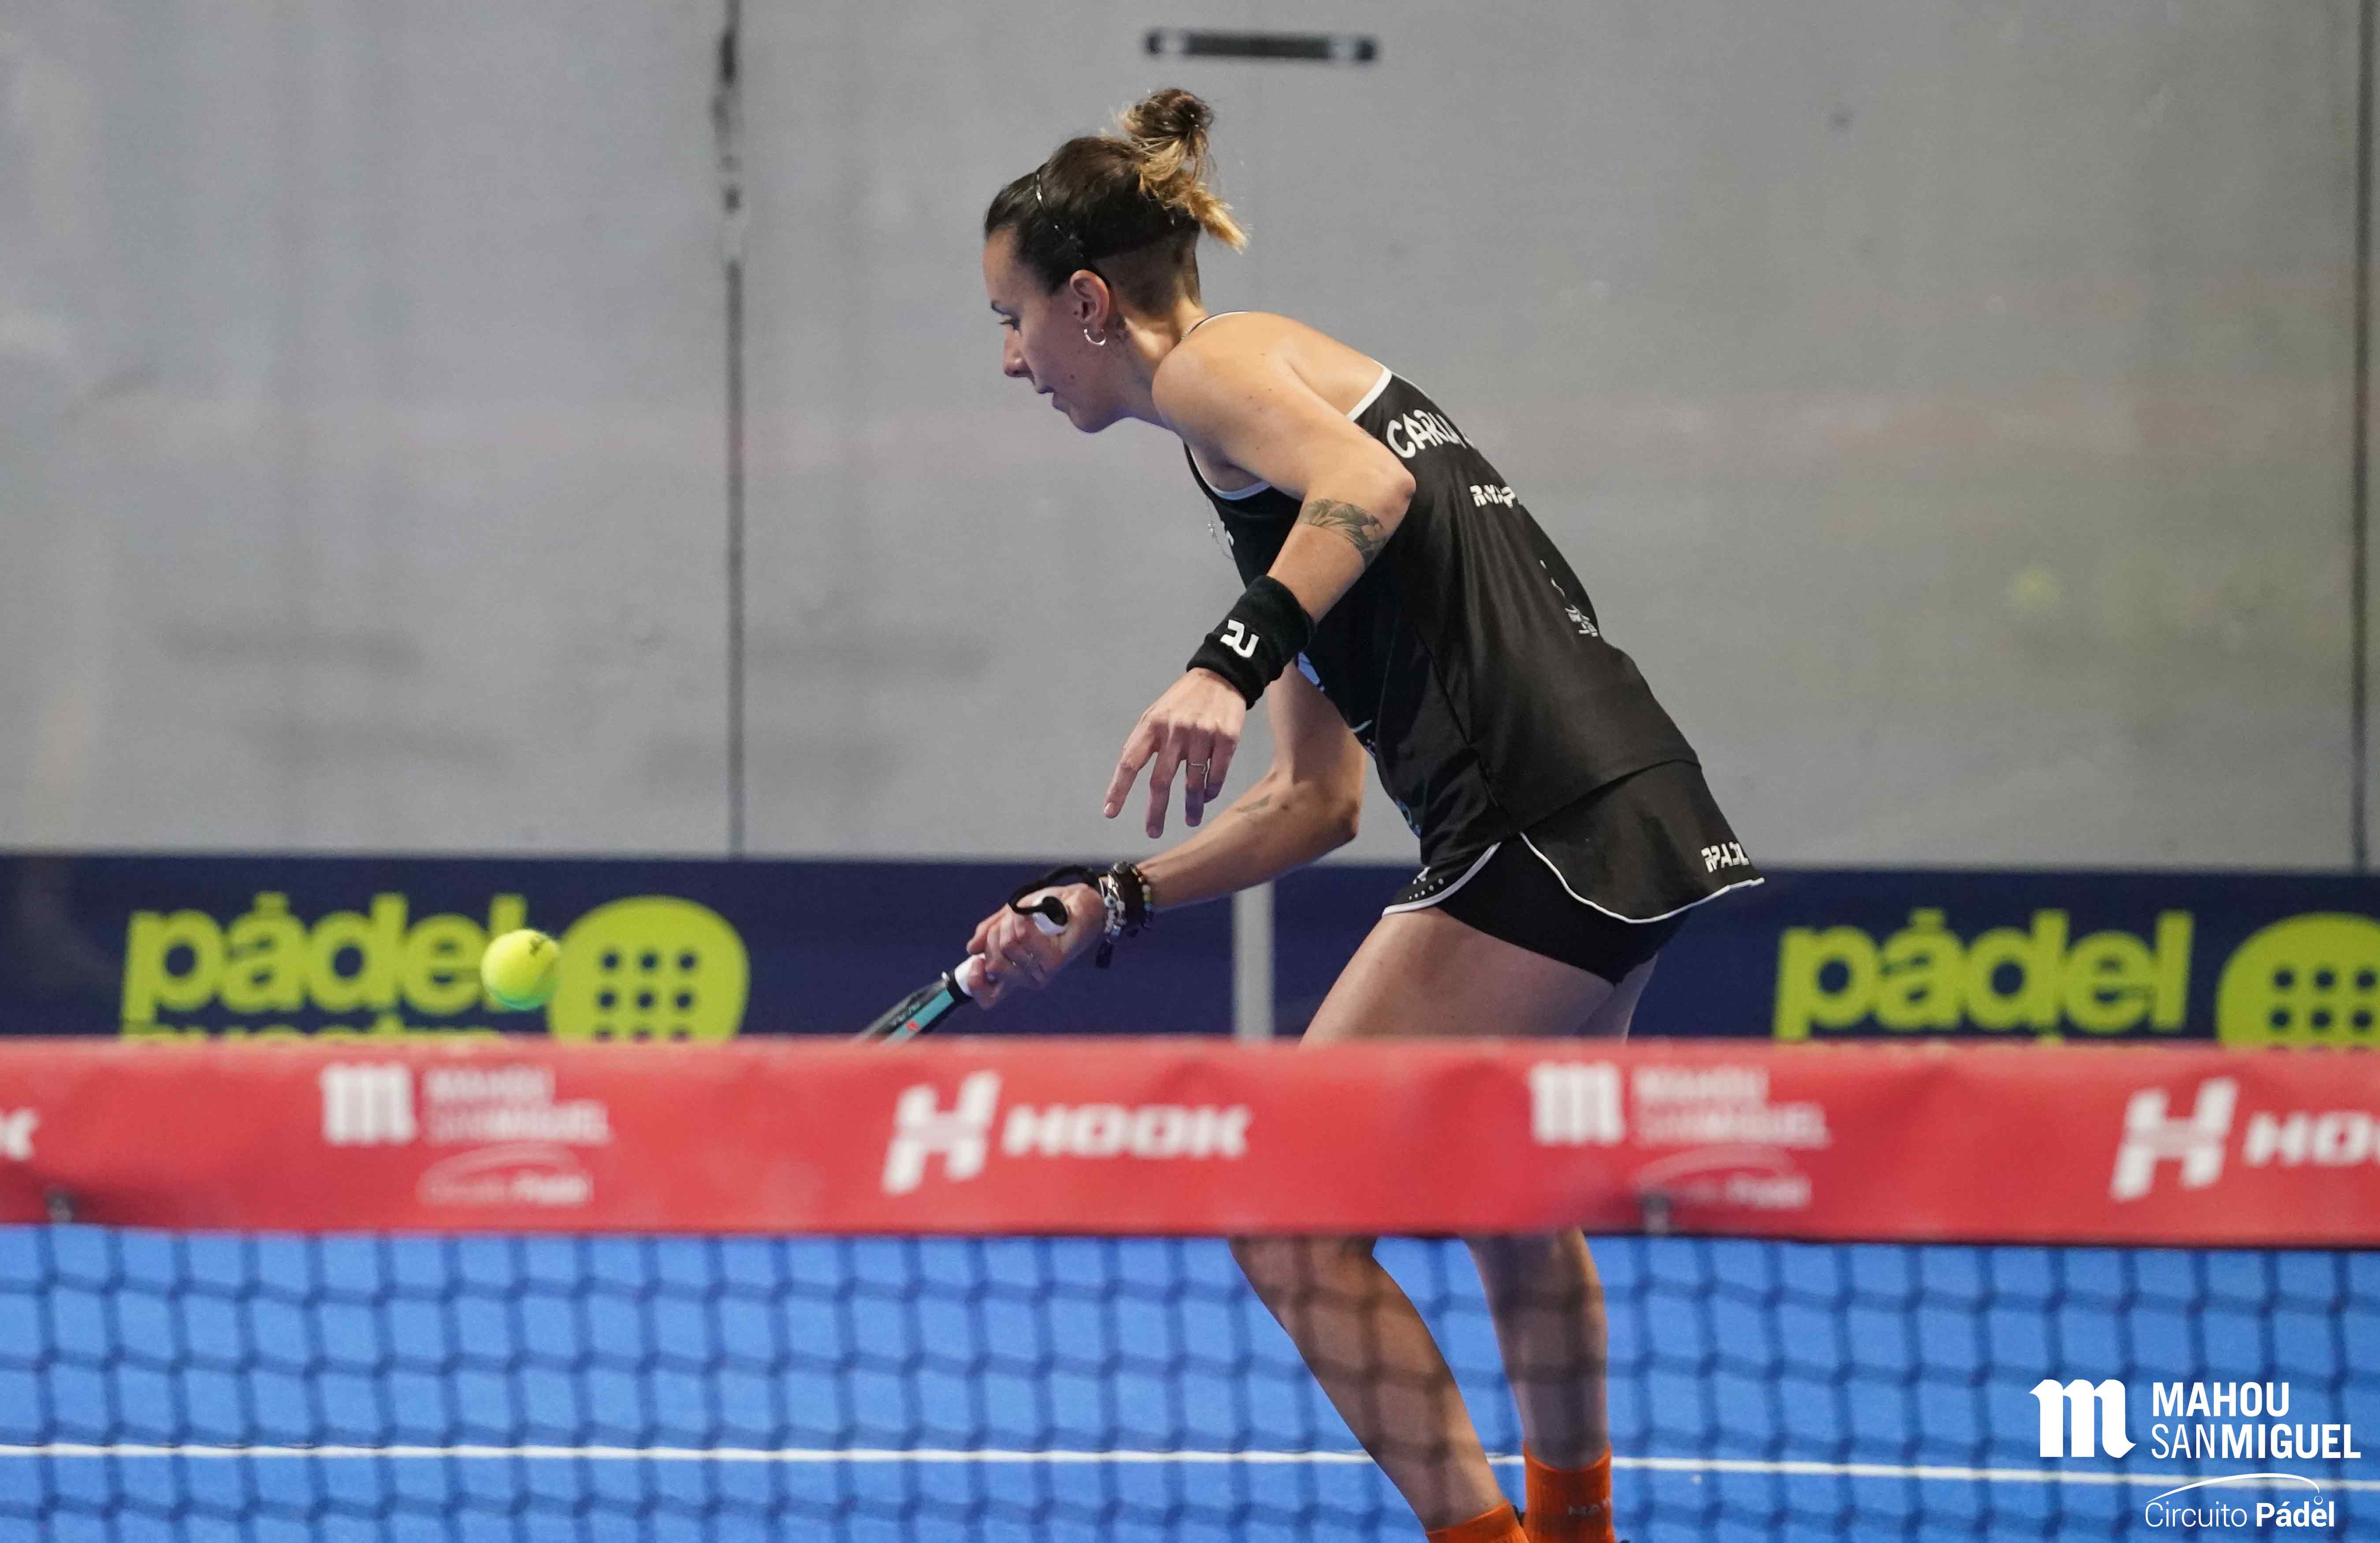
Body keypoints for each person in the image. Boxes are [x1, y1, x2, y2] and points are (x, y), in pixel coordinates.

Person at [967, 88, 1761, 1543]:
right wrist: (1113, 896)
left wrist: (1223, 663)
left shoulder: (1217, 368)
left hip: (1533, 818)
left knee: (1284, 1211)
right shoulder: (1272, 459)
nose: (1011, 358)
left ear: (1088, 303)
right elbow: (1315, 802)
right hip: (1629, 801)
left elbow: (1370, 482)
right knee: (1514, 1201)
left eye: (1012, 318)